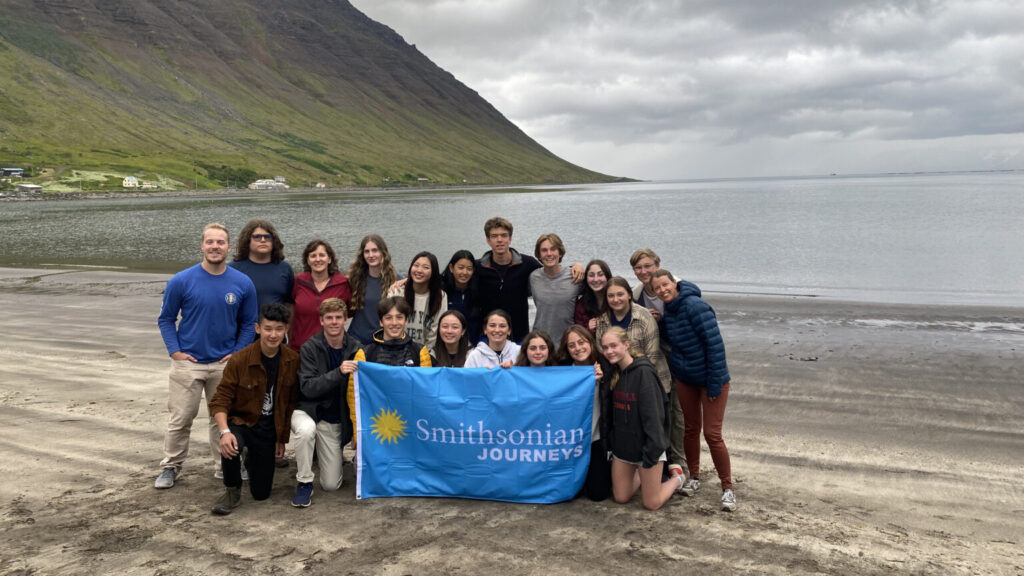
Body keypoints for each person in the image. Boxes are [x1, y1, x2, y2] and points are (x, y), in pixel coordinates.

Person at [155, 223, 258, 489]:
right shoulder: (181, 280)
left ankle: (225, 467)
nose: (215, 247)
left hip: (225, 364)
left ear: (228, 247)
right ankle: (171, 466)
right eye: (210, 242)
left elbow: (249, 323)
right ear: (202, 245)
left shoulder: (242, 282)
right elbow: (166, 319)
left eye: (220, 242)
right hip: (188, 364)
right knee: (181, 418)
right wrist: (175, 351)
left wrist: (237, 353)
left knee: (221, 419)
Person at [651, 269, 736, 512]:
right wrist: (659, 322)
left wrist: (713, 383)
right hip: (685, 379)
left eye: (665, 285)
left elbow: (715, 346)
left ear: (674, 284)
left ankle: (727, 488)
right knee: (690, 429)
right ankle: (695, 477)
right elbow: (674, 339)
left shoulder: (695, 306)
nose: (663, 290)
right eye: (657, 288)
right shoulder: (670, 310)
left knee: (712, 434)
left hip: (712, 381)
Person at [207, 303, 299, 515]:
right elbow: (220, 399)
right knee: (232, 445)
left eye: (278, 329)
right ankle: (232, 490)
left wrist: (281, 440)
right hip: (241, 423)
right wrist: (224, 432)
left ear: (286, 329)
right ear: (258, 328)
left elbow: (289, 404)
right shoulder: (240, 359)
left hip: (267, 429)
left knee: (261, 494)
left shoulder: (292, 360)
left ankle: (250, 459)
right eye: (268, 328)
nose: (273, 335)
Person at [595, 276, 682, 467]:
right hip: (618, 381)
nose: (616, 299)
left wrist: (635, 381)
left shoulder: (644, 317)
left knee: (654, 426)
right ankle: (627, 465)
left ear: (628, 295)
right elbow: (604, 354)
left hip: (650, 379)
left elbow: (651, 354)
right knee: (628, 428)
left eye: (620, 294)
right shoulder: (602, 321)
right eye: (611, 296)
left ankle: (667, 468)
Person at [601, 327, 684, 511]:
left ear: (627, 345)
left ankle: (677, 478)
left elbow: (655, 418)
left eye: (614, 346)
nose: (609, 351)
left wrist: (651, 452)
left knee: (651, 503)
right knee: (621, 497)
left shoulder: (644, 373)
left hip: (648, 447)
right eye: (605, 348)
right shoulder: (614, 373)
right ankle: (641, 475)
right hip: (624, 449)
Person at [291, 298, 363, 507]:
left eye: (338, 317)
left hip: (339, 420)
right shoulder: (309, 347)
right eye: (329, 318)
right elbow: (308, 388)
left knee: (332, 484)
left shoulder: (357, 347)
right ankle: (304, 482)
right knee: (305, 431)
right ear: (321, 321)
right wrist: (339, 372)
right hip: (313, 413)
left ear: (345, 320)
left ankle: (328, 453)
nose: (334, 322)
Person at [474, 217, 583, 343]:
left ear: (510, 238)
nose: (499, 240)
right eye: (494, 236)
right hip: (488, 337)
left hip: (520, 337)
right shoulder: (478, 267)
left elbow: (551, 271)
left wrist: (576, 266)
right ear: (488, 240)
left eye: (504, 235)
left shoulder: (527, 264)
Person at [556, 325, 611, 501]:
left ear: (590, 342)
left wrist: (603, 383)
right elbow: (534, 372)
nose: (578, 348)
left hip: (595, 439)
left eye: (581, 342)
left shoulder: (605, 365)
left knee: (598, 494)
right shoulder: (562, 369)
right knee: (570, 493)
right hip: (570, 440)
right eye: (572, 345)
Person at [290, 239, 352, 351]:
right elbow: (290, 309)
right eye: (313, 256)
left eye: (322, 255)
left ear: (329, 259)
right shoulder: (298, 281)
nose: (318, 259)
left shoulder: (342, 283)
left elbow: (351, 312)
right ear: (308, 261)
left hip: (332, 349)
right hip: (301, 348)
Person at [347, 234, 402, 346]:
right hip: (356, 339)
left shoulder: (396, 279)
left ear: (383, 252)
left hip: (383, 340)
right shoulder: (355, 277)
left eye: (375, 250)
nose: (371, 255)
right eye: (367, 251)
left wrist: (407, 280)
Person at [229, 219, 294, 313]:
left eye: (267, 237)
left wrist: (288, 327)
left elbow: (290, 304)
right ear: (248, 240)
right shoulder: (233, 269)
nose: (263, 240)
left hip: (275, 326)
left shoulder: (285, 269)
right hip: (244, 326)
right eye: (257, 237)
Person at [388, 251, 447, 350]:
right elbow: (387, 325)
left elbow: (434, 332)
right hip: (396, 349)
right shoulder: (397, 292)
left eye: (425, 267)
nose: (419, 270)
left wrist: (424, 354)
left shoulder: (440, 296)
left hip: (425, 352)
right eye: (416, 265)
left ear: (433, 272)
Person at [529, 233, 580, 340]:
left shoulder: (574, 276)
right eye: (544, 250)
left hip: (567, 342)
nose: (549, 253)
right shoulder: (533, 277)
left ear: (560, 253)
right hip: (541, 342)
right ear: (538, 255)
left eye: (553, 249)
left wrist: (579, 265)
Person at [440, 250, 480, 343]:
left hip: (471, 346)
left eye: (469, 269)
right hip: (445, 343)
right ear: (451, 268)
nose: (465, 272)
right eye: (460, 268)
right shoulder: (440, 289)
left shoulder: (477, 292)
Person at [629, 249, 676, 323]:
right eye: (638, 267)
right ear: (634, 271)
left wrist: (659, 319)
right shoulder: (634, 297)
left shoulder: (678, 291)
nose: (643, 272)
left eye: (647, 266)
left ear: (657, 265)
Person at [573, 259, 611, 335]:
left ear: (607, 276)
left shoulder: (615, 300)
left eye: (600, 274)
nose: (596, 279)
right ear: (586, 278)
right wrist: (588, 329)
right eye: (591, 275)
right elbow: (578, 335)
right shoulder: (581, 305)